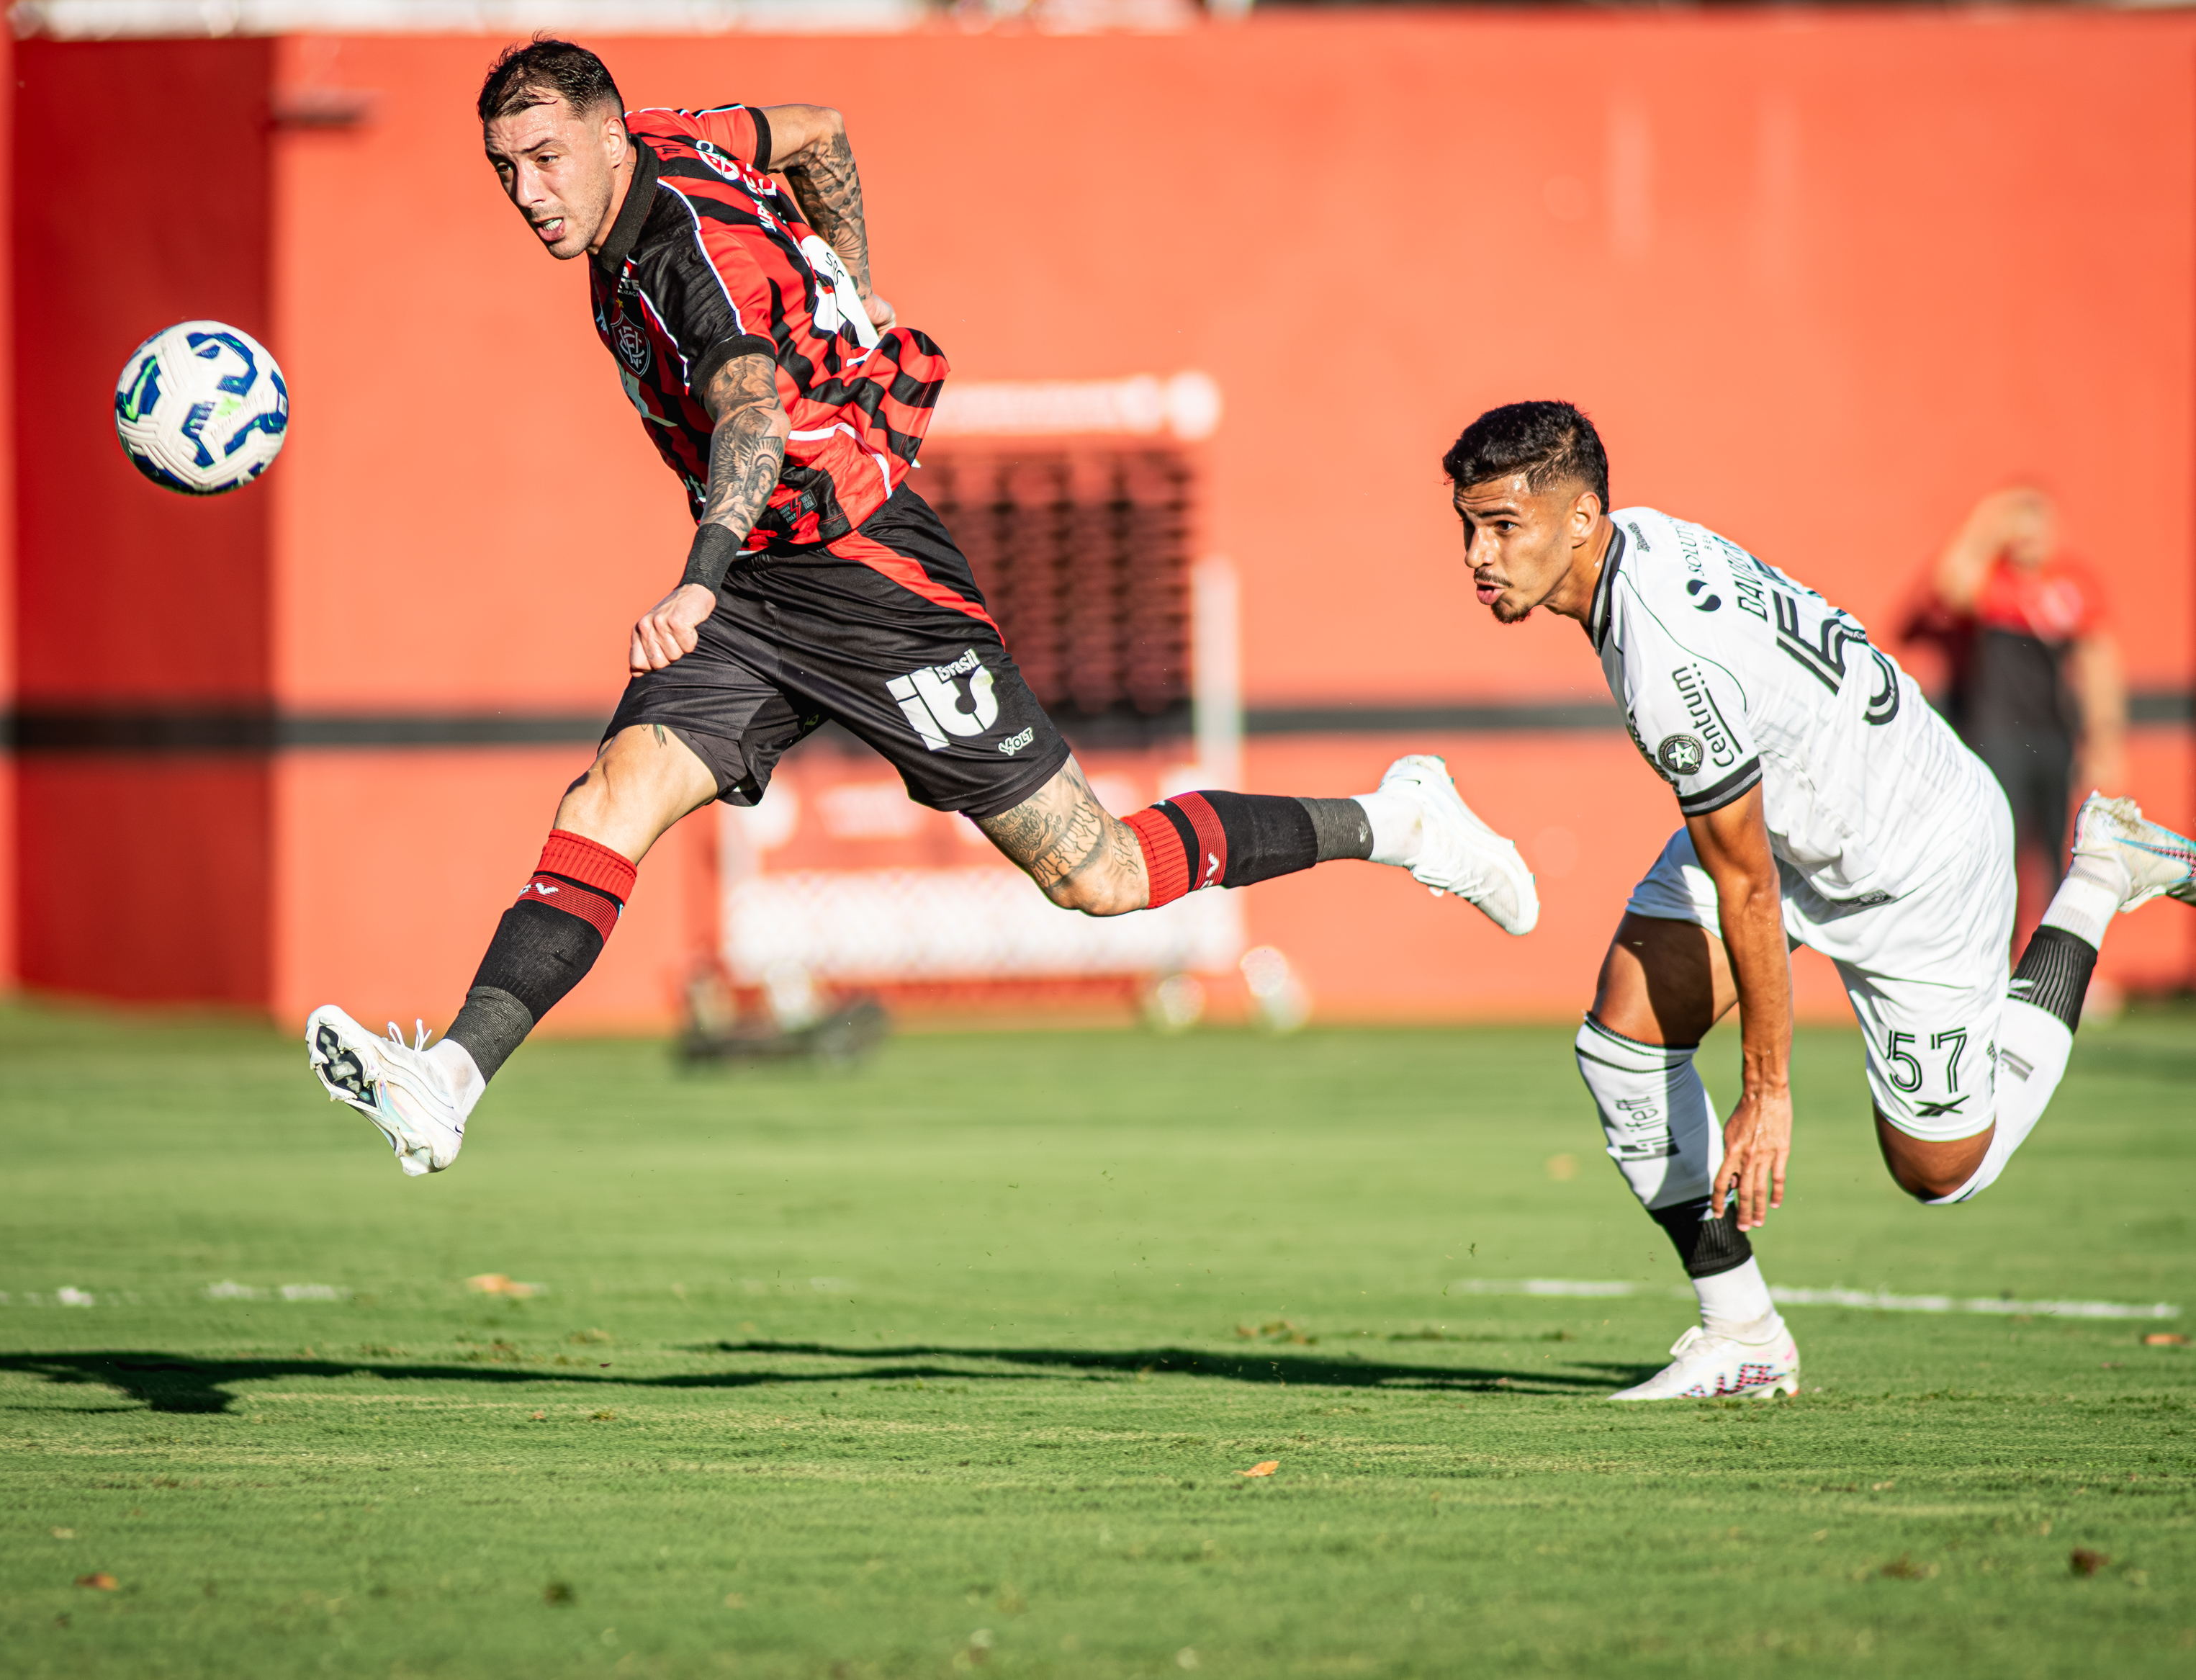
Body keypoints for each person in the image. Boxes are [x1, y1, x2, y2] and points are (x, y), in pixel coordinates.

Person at [300, 38, 1540, 1174]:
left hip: (859, 566)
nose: (527, 192)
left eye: (547, 157)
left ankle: (1397, 819)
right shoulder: (679, 136)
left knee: (1096, 871)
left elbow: (750, 414)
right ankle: (447, 1079)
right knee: (607, 800)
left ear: (611, 136)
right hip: (764, 587)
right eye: (504, 167)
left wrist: (698, 572)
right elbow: (822, 130)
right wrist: (858, 287)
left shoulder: (691, 265)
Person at [1441, 401, 2195, 1401]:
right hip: (1791, 820)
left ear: (1581, 519)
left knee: (1940, 1170)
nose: (1476, 554)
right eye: (1468, 525)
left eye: (1503, 526)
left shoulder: (1666, 661)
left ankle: (2102, 874)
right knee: (1622, 1046)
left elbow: (1746, 883)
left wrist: (1769, 1087)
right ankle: (1742, 1332)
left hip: (1913, 855)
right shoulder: (1646, 540)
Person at [1905, 488, 2128, 920]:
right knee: (1998, 852)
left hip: (2055, 737)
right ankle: (1998, 965)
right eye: (2021, 526)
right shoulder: (1992, 583)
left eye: (2038, 525)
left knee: (2058, 855)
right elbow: (1949, 583)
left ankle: (2056, 965)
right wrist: (1988, 521)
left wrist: (2106, 741)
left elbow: (2101, 664)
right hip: (1999, 738)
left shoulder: (2070, 588)